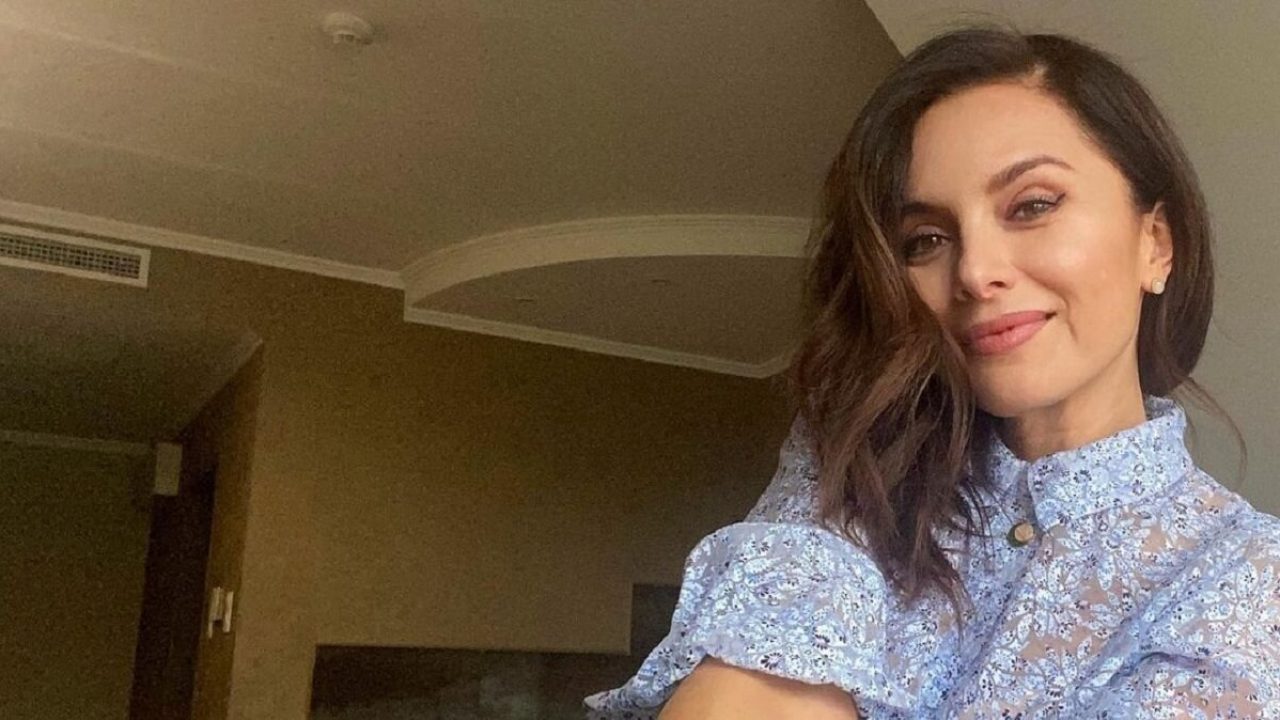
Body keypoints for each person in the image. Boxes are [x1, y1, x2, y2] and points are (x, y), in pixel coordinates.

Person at [584, 25, 1280, 720]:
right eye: (926, 240)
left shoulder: (1247, 574)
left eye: (1032, 205)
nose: (974, 271)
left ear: (1156, 244)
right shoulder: (855, 466)